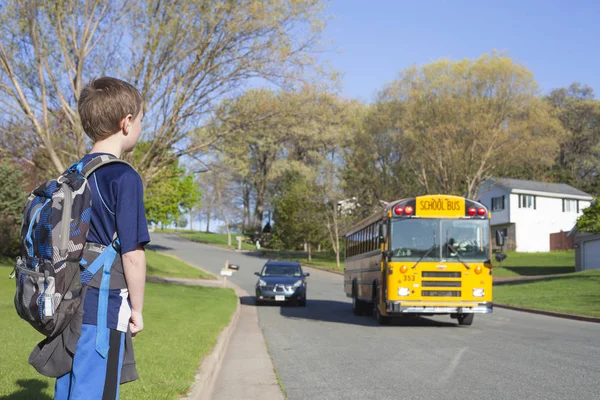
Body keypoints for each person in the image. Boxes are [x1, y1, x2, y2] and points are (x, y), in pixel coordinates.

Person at [54, 77, 150, 400]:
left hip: (65, 301)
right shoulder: (125, 178)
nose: (139, 127)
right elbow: (133, 254)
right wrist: (137, 309)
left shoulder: (72, 173)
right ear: (126, 123)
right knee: (96, 392)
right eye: (140, 120)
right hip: (103, 307)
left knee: (69, 388)